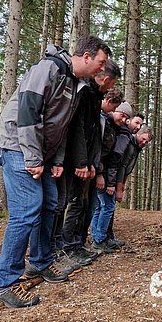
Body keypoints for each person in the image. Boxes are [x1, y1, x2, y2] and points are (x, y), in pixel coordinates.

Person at [0, 35, 111, 308]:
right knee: (27, 209)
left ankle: (41, 263)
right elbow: (29, 112)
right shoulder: (48, 69)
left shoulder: (77, 84)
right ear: (87, 57)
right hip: (16, 146)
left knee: (51, 204)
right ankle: (2, 282)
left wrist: (56, 159)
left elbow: (61, 125)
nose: (102, 69)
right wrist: (33, 157)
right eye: (101, 63)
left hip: (42, 153)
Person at [58, 61, 122, 268]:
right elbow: (78, 128)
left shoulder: (94, 97)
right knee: (72, 204)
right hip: (75, 162)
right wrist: (81, 161)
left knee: (85, 205)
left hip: (89, 163)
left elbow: (94, 136)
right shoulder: (83, 91)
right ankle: (66, 246)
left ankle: (77, 244)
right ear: (106, 79)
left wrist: (93, 163)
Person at [91, 102, 133, 252]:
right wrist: (109, 182)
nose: (124, 121)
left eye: (127, 119)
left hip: (102, 173)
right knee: (107, 206)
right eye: (123, 116)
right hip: (103, 174)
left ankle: (98, 237)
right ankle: (99, 239)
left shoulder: (113, 126)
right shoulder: (113, 127)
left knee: (101, 206)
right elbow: (113, 159)